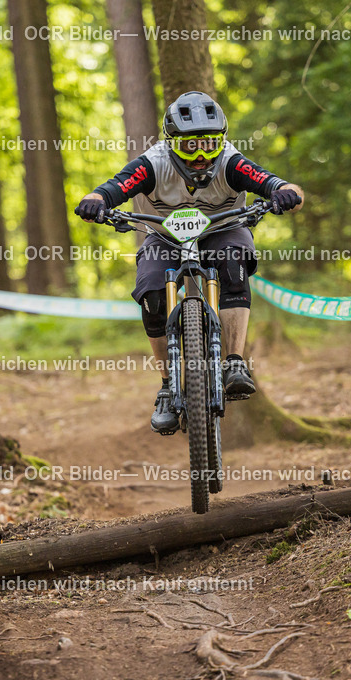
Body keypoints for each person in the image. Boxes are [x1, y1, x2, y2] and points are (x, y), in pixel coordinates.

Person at [75, 91, 303, 434]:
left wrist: (287, 192)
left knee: (233, 264)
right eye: (190, 146)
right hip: (164, 237)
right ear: (172, 144)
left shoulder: (230, 161)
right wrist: (94, 201)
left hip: (224, 230)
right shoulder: (153, 164)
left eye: (209, 144)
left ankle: (235, 363)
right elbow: (114, 188)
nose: (201, 156)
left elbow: (270, 182)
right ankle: (167, 386)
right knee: (152, 295)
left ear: (221, 141)